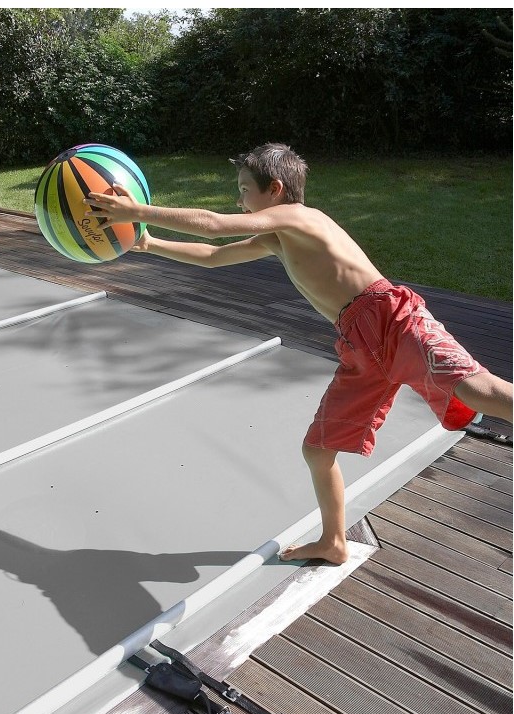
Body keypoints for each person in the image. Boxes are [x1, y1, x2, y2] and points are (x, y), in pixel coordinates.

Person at [84, 143, 513, 565]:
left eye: (244, 190)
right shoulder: (277, 238)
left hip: (393, 320)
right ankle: (334, 542)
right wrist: (150, 244)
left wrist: (136, 211)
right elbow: (214, 255)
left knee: (474, 387)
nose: (239, 201)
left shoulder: (300, 217)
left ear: (274, 189)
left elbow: (213, 226)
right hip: (359, 348)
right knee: (318, 449)